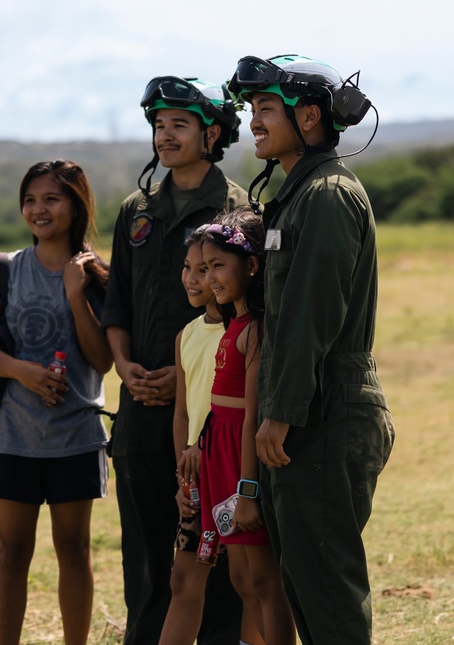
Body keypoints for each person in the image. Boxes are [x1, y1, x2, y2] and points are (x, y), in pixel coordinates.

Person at [227, 53, 395, 644]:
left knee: (327, 595)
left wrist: (279, 413)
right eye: (252, 109)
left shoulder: (325, 195)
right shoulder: (293, 196)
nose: (255, 121)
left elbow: (309, 316)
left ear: (311, 118)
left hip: (323, 409)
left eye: (267, 109)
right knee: (305, 585)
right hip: (305, 406)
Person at [101, 76, 247, 645]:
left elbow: (247, 311)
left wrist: (184, 377)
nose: (165, 135)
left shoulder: (240, 208)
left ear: (211, 133)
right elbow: (118, 303)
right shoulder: (135, 210)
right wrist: (124, 366)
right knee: (144, 549)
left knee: (217, 546)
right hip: (140, 407)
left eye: (179, 125)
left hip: (212, 408)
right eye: (159, 125)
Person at [0, 160, 113, 645]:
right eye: (30, 200)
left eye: (51, 198)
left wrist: (76, 295)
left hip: (77, 432)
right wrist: (23, 372)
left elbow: (102, 360)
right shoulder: (8, 270)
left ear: (76, 204)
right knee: (13, 554)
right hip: (13, 435)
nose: (38, 209)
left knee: (73, 549)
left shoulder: (96, 274)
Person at [199, 211, 296, 645]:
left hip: (242, 466)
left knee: (263, 582)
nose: (210, 278)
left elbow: (252, 416)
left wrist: (248, 491)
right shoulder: (231, 322)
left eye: (218, 266)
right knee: (240, 577)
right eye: (204, 268)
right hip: (219, 456)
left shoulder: (254, 330)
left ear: (252, 265)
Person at [160, 226, 254, 645]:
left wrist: (204, 447)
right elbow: (182, 411)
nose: (196, 279)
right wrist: (184, 471)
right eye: (189, 268)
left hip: (233, 468)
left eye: (209, 267)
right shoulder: (186, 335)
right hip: (197, 478)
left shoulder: (247, 332)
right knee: (183, 580)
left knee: (250, 582)